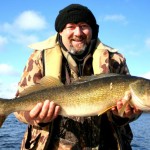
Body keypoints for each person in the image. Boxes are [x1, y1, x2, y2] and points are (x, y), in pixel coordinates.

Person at [14, 4, 141, 150]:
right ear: (61, 31)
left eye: (84, 26)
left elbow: (134, 112)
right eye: (71, 26)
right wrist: (35, 117)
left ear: (93, 30)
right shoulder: (39, 57)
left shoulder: (115, 59)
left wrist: (124, 115)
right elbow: (19, 108)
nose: (78, 32)